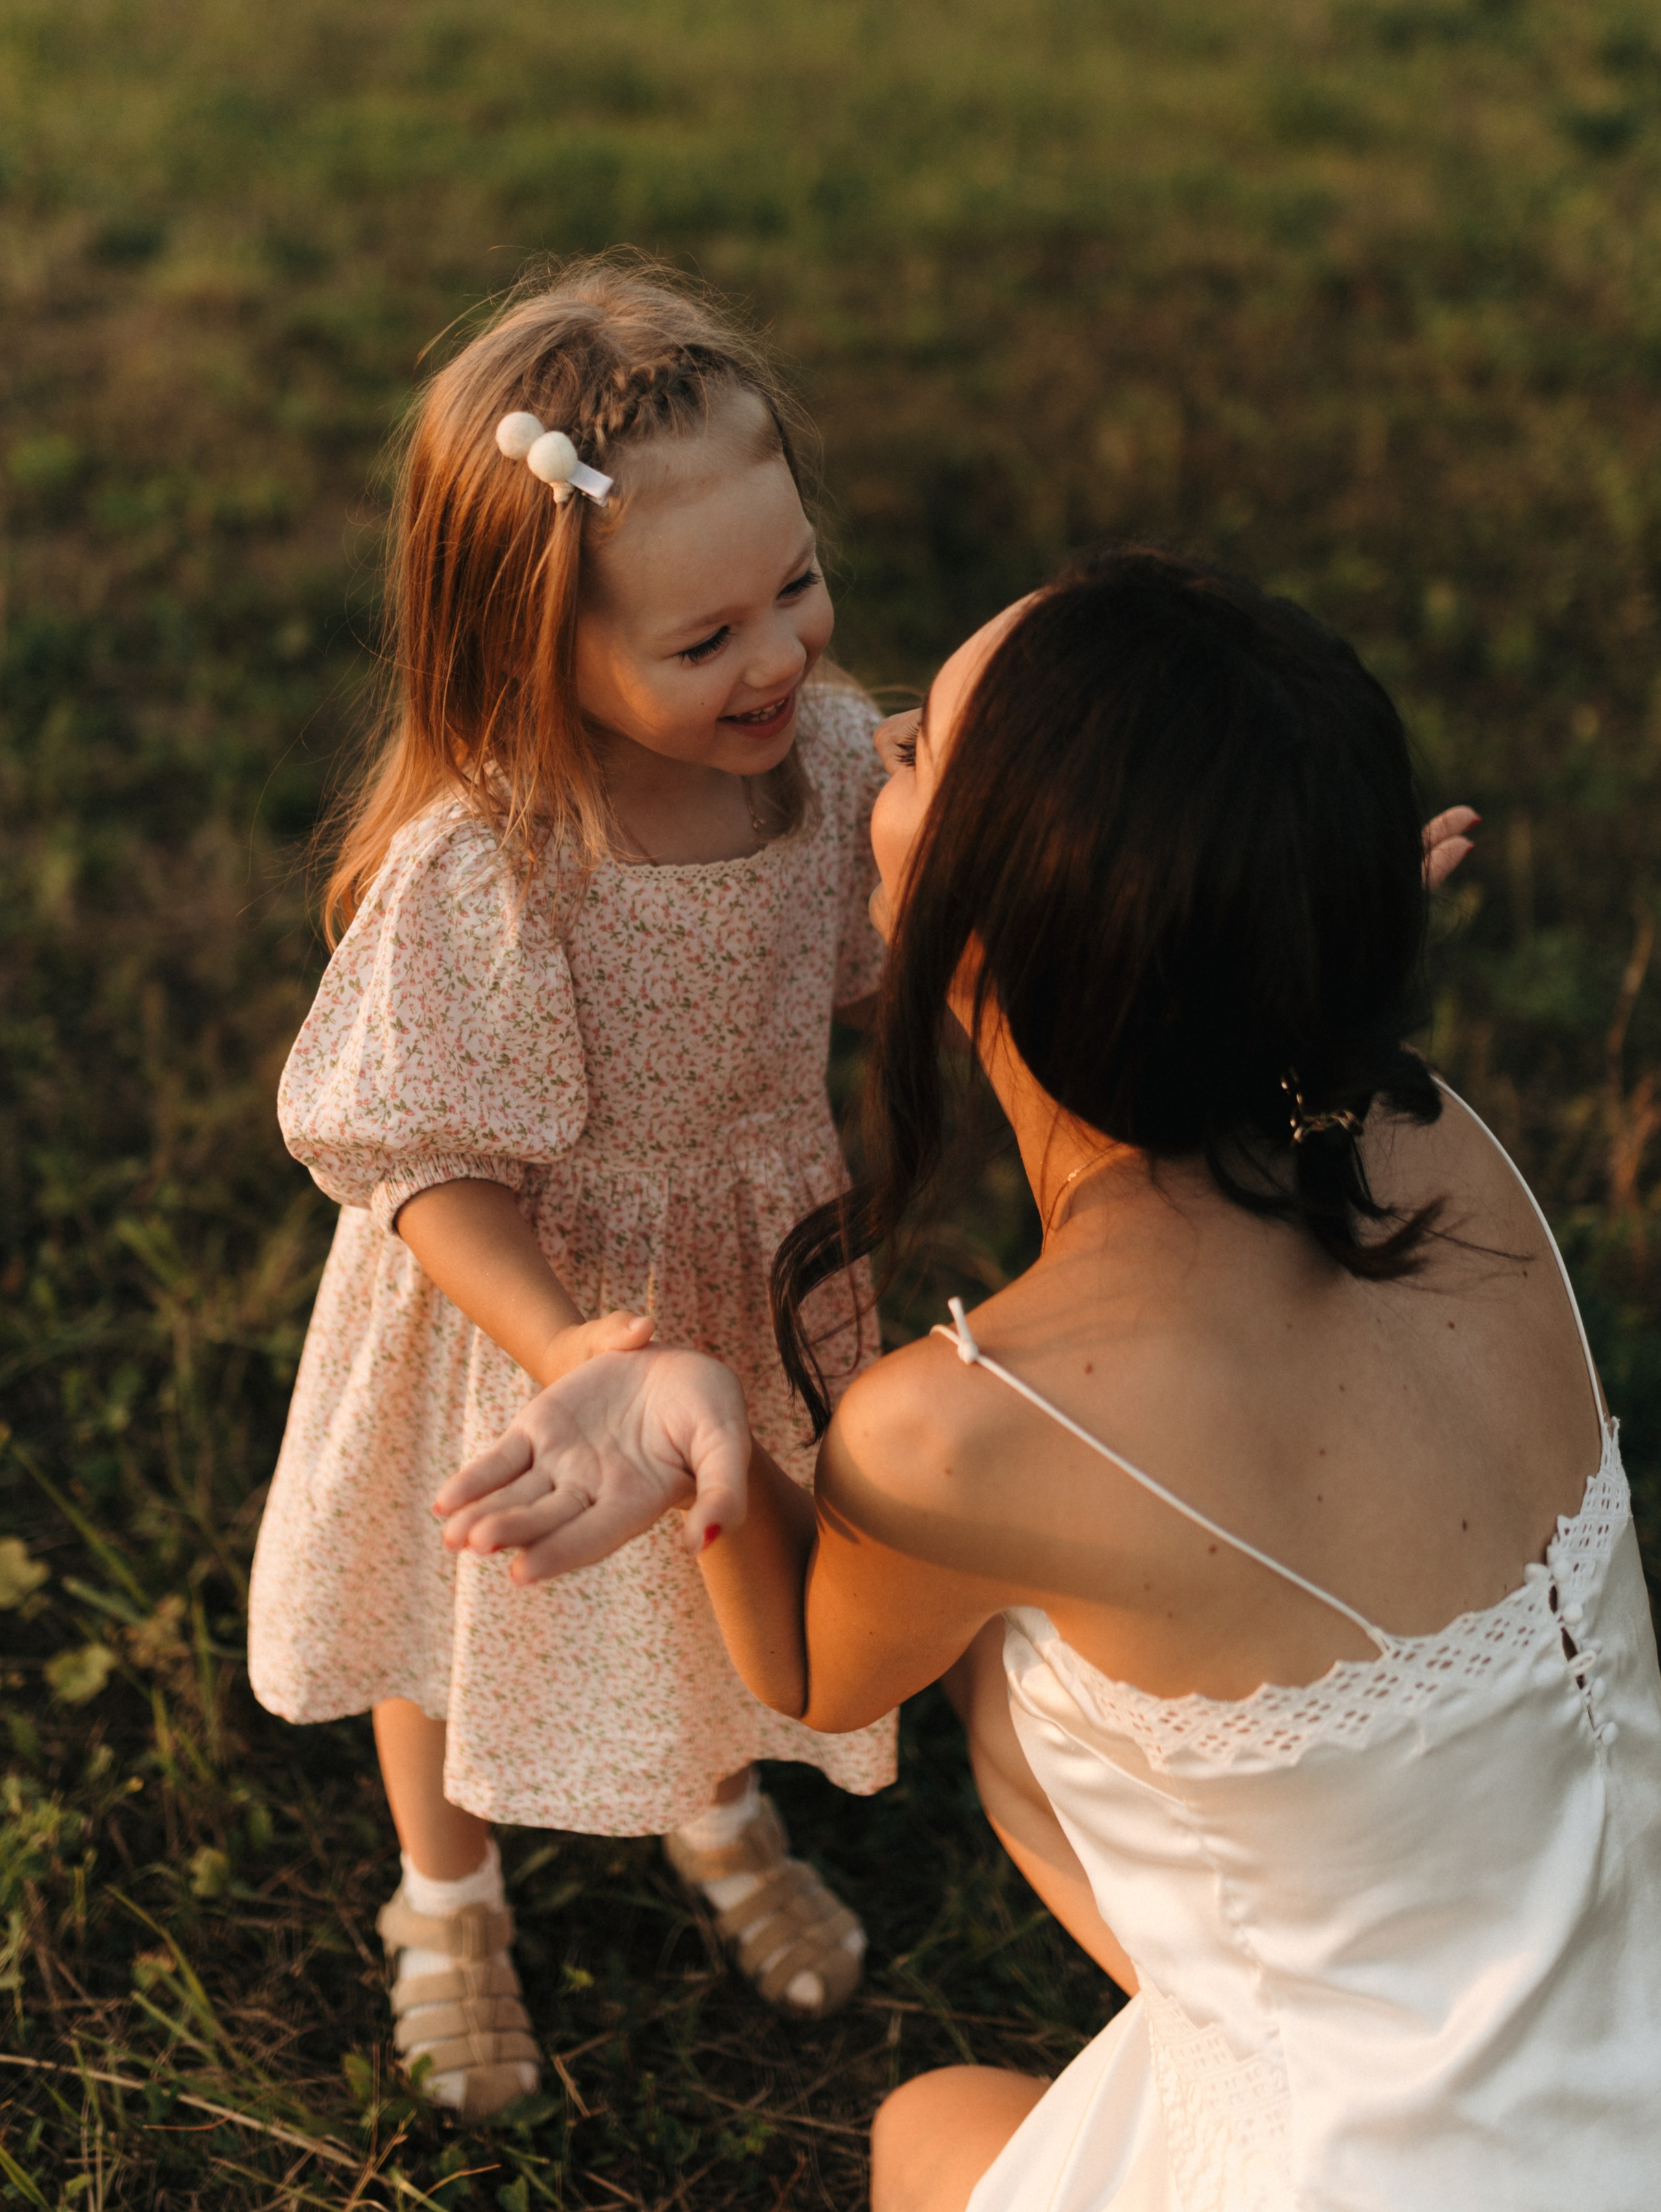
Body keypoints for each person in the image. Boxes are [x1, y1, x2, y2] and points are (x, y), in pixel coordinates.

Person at [437, 551, 1661, 2207]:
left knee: (917, 2128)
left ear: (996, 922)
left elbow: (808, 1667)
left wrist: (692, 1421)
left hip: (1367, 2165)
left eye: (921, 752)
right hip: (1615, 2034)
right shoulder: (1436, 1143)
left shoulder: (969, 1432)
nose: (865, 740)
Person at [246, 259, 896, 2122]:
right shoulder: (503, 860)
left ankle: (713, 1802)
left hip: (747, 1280)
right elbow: (423, 1163)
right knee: (459, 1609)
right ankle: (444, 1902)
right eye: (702, 643)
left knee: (714, 1570)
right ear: (535, 653)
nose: (776, 656)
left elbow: (987, 873)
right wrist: (569, 1338)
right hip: (528, 1314)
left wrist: (1265, 887)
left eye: (794, 587)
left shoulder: (829, 765)